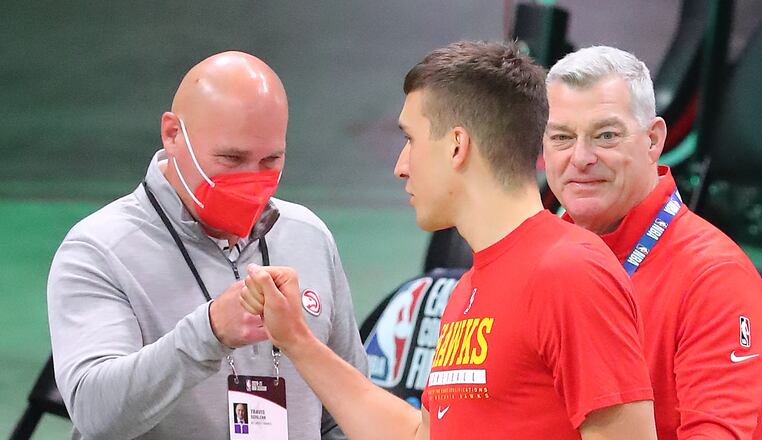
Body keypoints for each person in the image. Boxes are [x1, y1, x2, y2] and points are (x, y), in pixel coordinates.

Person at [241, 40, 658, 439]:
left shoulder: (569, 272)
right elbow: (420, 434)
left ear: (457, 146)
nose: (401, 166)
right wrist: (296, 340)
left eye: (411, 139)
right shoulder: (468, 289)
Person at [47, 51, 367, 440]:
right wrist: (208, 332)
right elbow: (95, 413)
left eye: (270, 160)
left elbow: (351, 411)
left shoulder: (308, 237)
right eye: (231, 158)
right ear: (172, 134)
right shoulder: (100, 250)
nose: (252, 180)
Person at [542, 45, 762, 439]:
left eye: (606, 135)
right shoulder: (536, 263)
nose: (580, 158)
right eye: (562, 137)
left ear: (653, 140)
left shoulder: (714, 278)